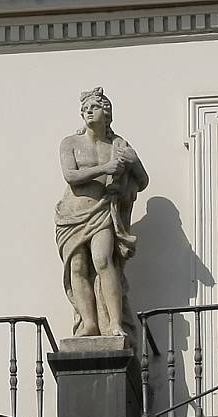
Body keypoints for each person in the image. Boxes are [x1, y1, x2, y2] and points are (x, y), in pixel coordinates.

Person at [55, 87, 149, 339]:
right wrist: (106, 167)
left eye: (93, 108)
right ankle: (89, 323)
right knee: (77, 266)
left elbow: (142, 181)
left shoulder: (118, 145)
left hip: (103, 211)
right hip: (72, 214)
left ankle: (114, 323)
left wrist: (133, 161)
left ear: (106, 113)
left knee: (103, 260)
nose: (87, 112)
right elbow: (71, 175)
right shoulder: (70, 143)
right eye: (84, 109)